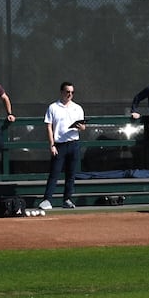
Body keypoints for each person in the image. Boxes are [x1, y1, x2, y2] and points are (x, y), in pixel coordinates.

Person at [40, 82, 86, 210]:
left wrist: (82, 127)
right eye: (67, 92)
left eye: (72, 92)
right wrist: (52, 144)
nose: (70, 94)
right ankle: (47, 200)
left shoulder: (78, 108)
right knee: (54, 173)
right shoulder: (53, 107)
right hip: (59, 145)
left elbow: (83, 126)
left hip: (74, 143)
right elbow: (49, 127)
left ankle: (67, 199)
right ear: (62, 92)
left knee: (71, 174)